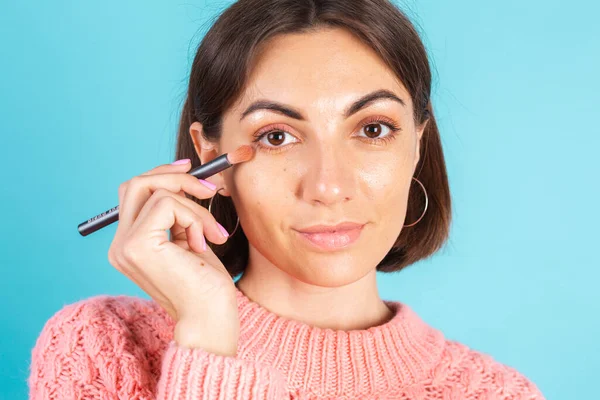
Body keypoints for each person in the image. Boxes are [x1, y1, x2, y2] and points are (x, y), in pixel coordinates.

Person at [28, 0, 545, 398]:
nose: (327, 186)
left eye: (372, 128)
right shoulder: (101, 343)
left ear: (417, 143)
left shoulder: (495, 393)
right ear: (212, 157)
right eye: (277, 136)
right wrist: (207, 340)